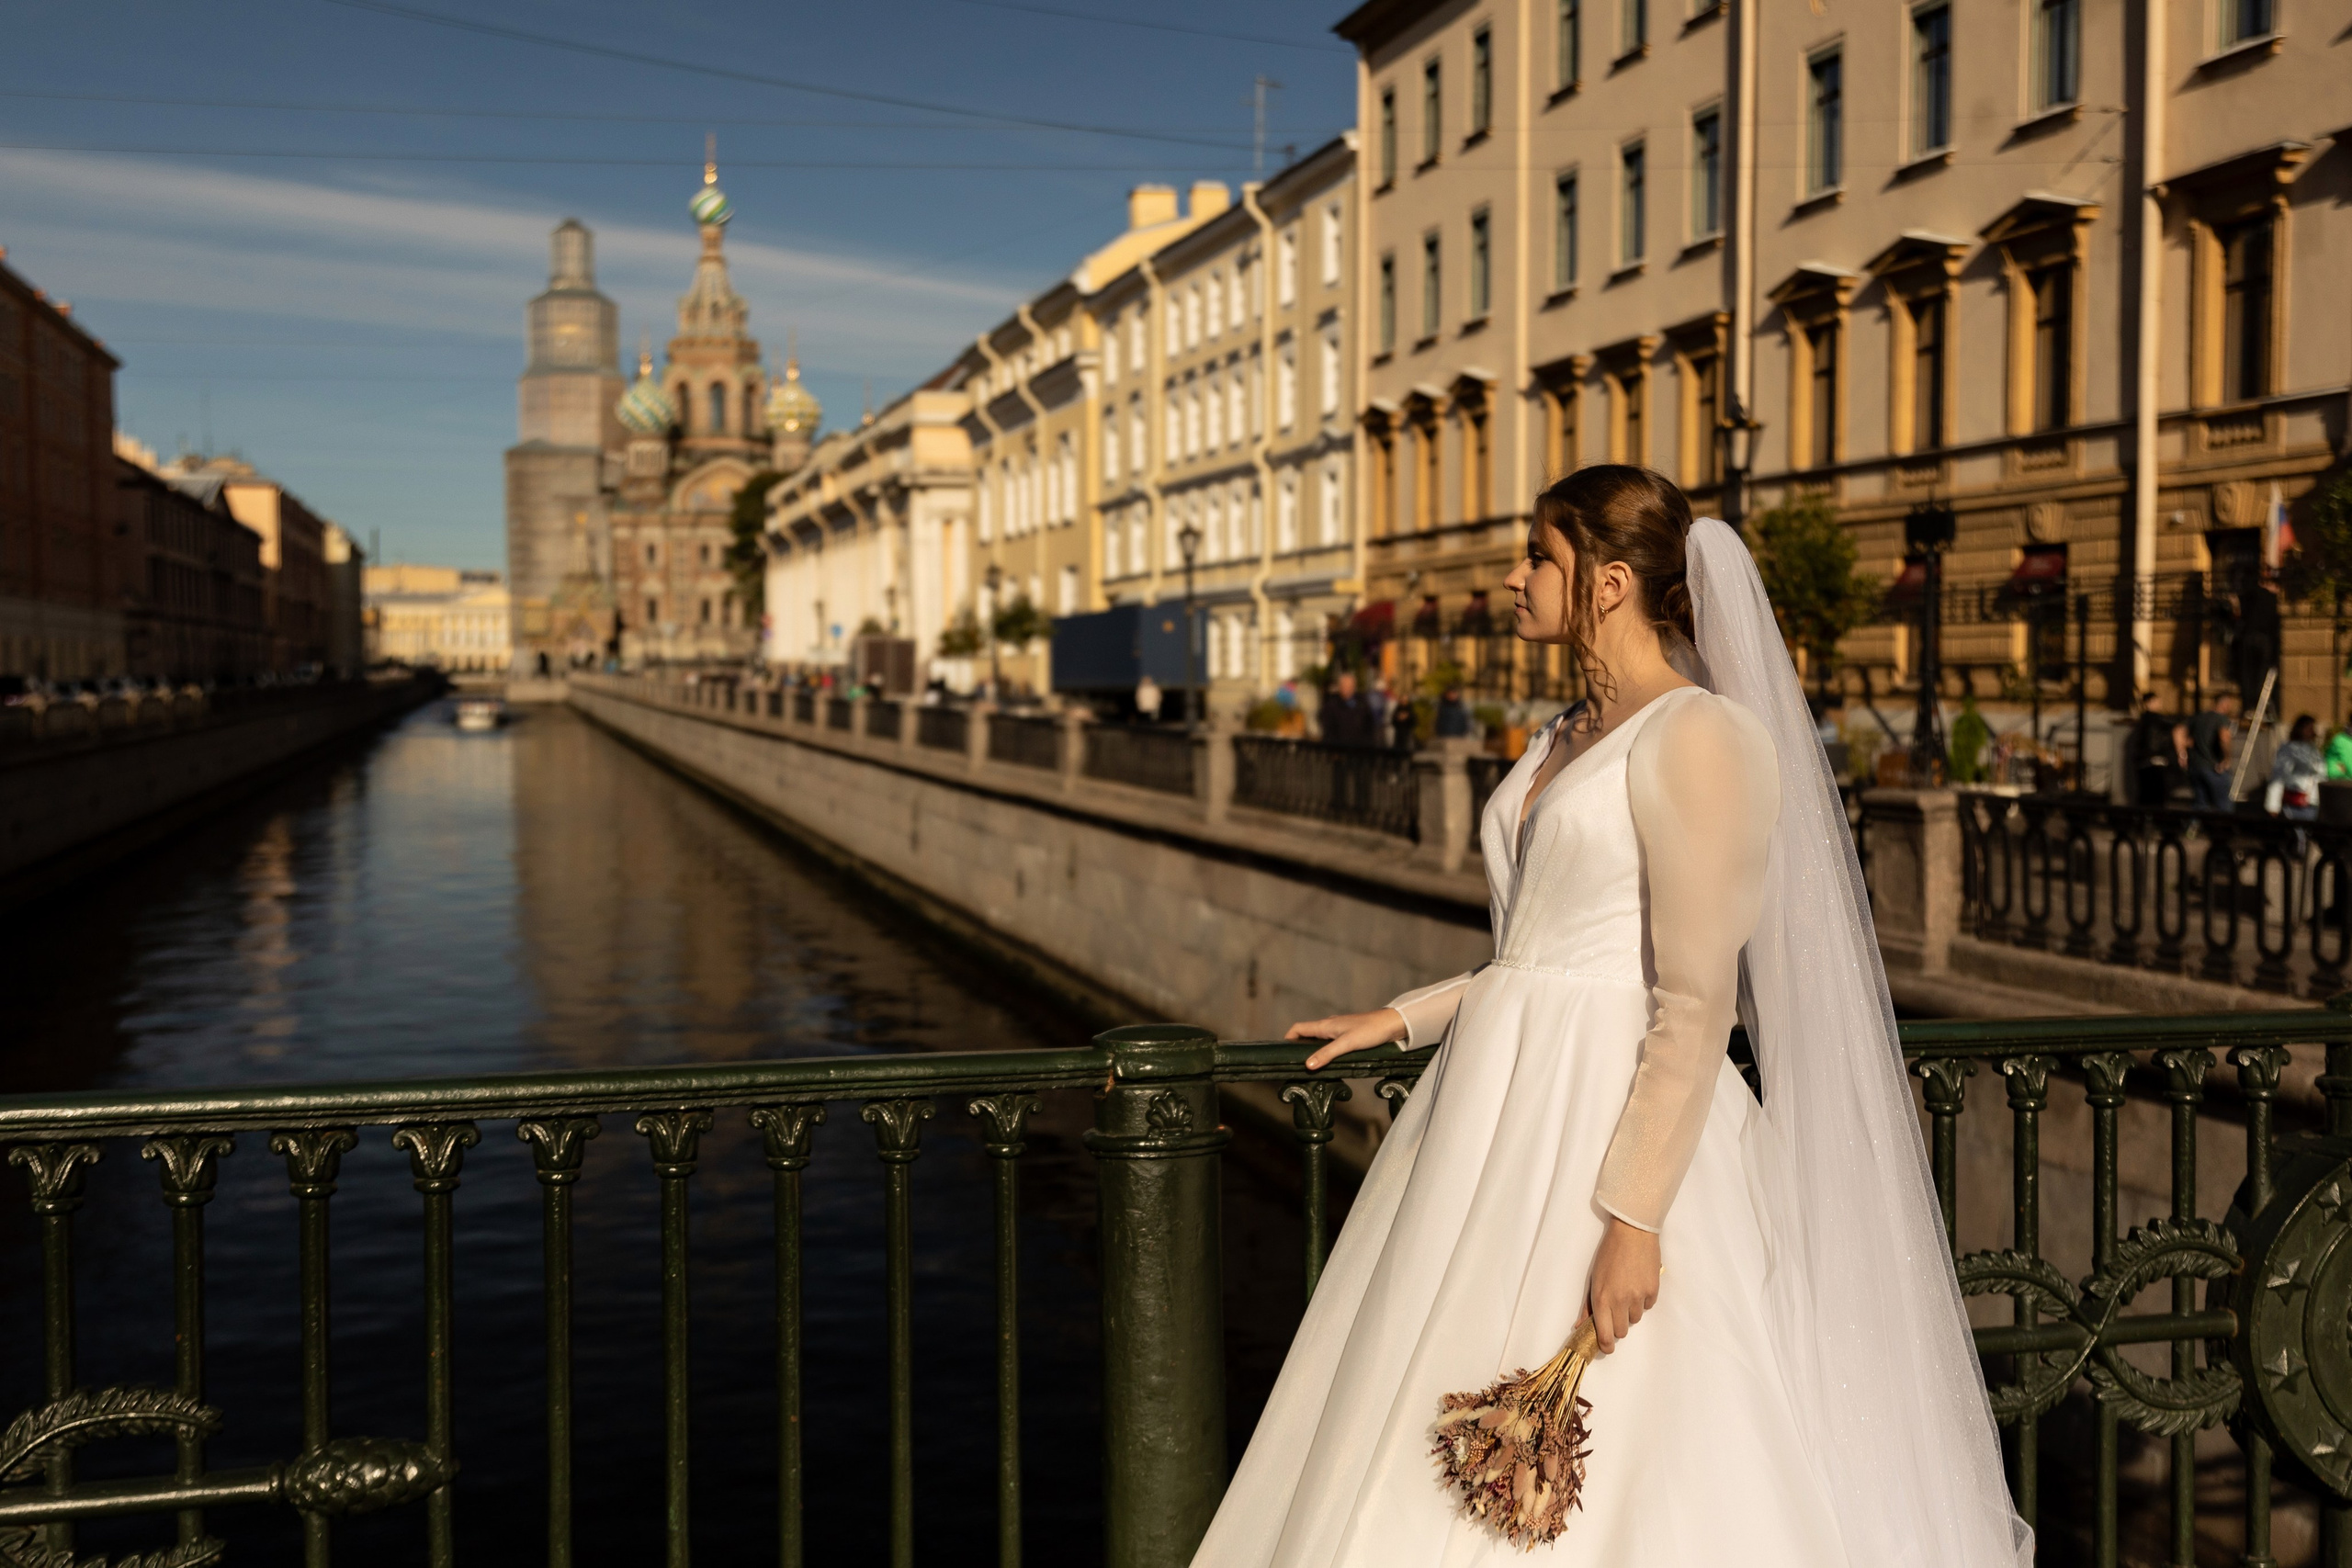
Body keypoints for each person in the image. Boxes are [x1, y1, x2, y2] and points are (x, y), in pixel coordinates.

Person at [1195, 466, 2027, 1567]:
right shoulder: (1561, 732)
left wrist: (1633, 1221)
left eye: (1537, 556)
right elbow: (1545, 952)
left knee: (1643, 1447)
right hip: (1495, 1109)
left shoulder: (1698, 736)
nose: (1512, 577)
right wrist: (1402, 1019)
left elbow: (1692, 998)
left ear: (1609, 581)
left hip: (1618, 1134)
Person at [2188, 691, 2240, 811]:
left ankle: (2193, 828)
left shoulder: (2199, 717)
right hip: (2214, 766)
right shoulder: (2221, 719)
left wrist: (2183, 755)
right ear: (2224, 704)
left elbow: (2183, 735)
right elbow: (2224, 737)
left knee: (2200, 803)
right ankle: (2223, 828)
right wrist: (2226, 759)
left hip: (2196, 766)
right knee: (2223, 805)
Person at [2269, 714, 2324, 820]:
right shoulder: (2289, 749)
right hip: (2295, 801)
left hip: (2313, 801)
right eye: (2308, 728)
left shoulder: (2314, 751)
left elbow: (2321, 775)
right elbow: (2279, 776)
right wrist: (2273, 805)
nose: (2311, 731)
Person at [2127, 691, 2177, 807]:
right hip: (2155, 761)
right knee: (2157, 796)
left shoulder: (2143, 721)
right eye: (2156, 701)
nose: (2159, 704)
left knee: (2145, 795)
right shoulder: (2156, 721)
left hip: (2144, 761)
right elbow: (2155, 742)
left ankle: (2142, 820)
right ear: (2148, 703)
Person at [1317, 669, 1377, 748]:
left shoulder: (1362, 703)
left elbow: (1369, 725)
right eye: (1344, 686)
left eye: (1349, 686)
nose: (1347, 689)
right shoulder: (1332, 705)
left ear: (1354, 687)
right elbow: (1328, 728)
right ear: (1340, 687)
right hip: (1340, 749)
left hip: (1360, 749)